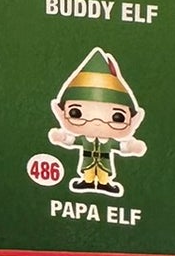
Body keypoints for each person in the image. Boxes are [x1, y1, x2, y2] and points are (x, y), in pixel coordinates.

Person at [47, 49, 147, 196]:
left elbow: (120, 146)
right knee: (88, 172)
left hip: (104, 163)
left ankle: (104, 183)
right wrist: (62, 137)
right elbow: (72, 140)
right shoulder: (84, 139)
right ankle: (87, 181)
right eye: (76, 113)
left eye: (118, 117)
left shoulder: (108, 142)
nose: (97, 122)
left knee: (103, 174)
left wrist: (131, 146)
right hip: (87, 161)